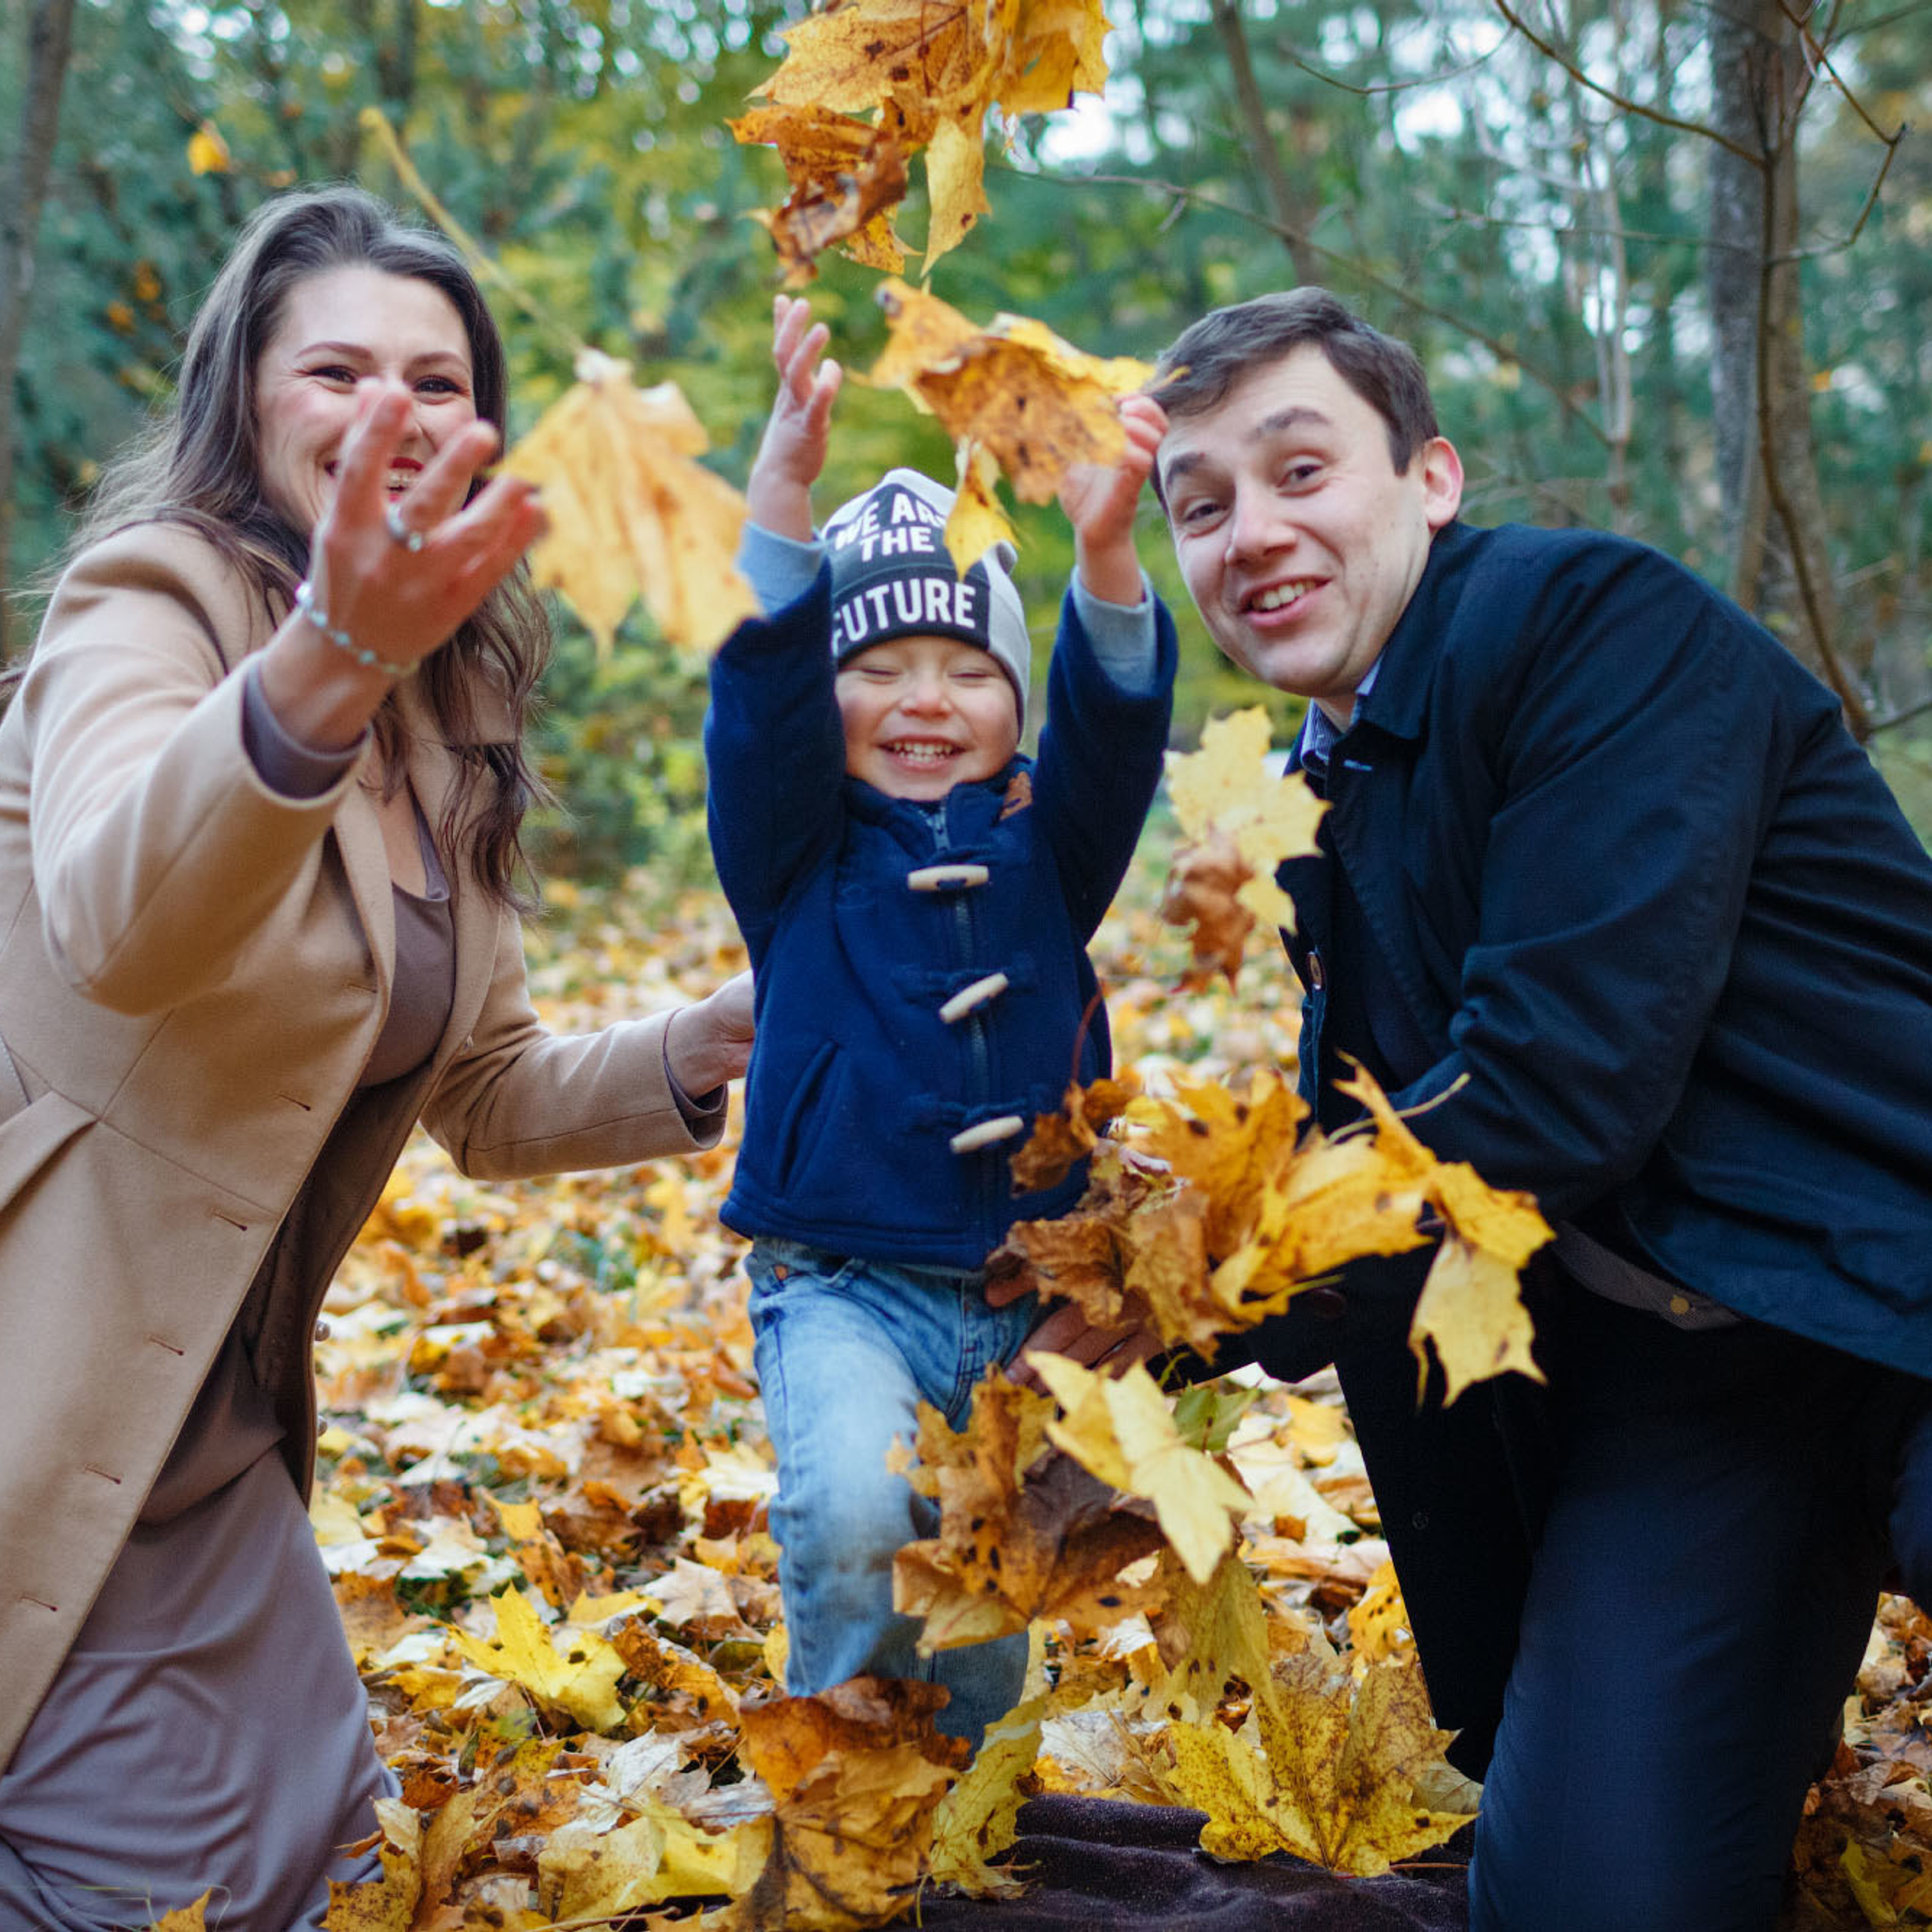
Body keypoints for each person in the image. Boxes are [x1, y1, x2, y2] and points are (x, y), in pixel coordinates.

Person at [0, 185, 752, 1931]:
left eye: (435, 378)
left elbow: (477, 1085)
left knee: (332, 1863)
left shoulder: (447, 702)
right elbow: (119, 920)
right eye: (336, 369)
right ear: (246, 396)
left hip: (215, 1414)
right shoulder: (151, 603)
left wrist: (696, 1047)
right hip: (47, 1369)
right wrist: (320, 665)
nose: (388, 410)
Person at [1146, 286, 1932, 1932]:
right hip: (1700, 1392)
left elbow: (1548, 1091)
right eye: (1199, 505)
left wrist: (1173, 1294)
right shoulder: (1314, 801)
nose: (1251, 531)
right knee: (1586, 1899)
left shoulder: (1590, 626)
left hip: (1893, 1272)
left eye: (1301, 470)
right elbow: (1378, 1170)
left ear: (1430, 478)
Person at [704, 297, 1176, 1748]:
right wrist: (780, 504)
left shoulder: (1051, 854)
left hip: (1022, 1299)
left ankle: (956, 1809)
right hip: (846, 1283)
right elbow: (757, 714)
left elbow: (1114, 739)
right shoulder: (795, 850)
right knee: (857, 1512)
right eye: (878, 669)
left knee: (981, 1594)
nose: (928, 700)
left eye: (971, 671)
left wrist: (1106, 556)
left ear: (1013, 703)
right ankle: (848, 1781)